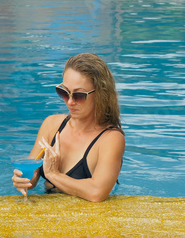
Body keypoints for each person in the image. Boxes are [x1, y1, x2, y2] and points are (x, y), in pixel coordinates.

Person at [12, 53, 125, 202]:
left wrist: (53, 175)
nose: (70, 102)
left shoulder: (110, 139)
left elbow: (97, 193)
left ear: (100, 95)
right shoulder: (51, 125)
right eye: (64, 92)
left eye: (79, 95)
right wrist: (22, 180)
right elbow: (32, 174)